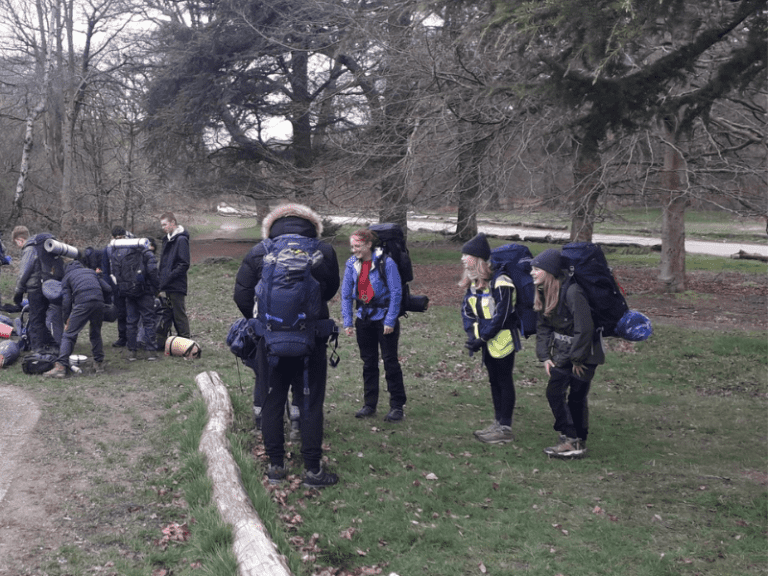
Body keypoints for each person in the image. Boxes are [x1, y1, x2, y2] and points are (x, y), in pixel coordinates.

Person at [233, 203, 340, 488]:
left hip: (269, 342)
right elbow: (329, 290)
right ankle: (314, 471)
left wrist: (264, 324)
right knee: (310, 403)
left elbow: (241, 294)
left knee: (271, 401)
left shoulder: (260, 251)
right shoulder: (323, 251)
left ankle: (276, 468)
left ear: (272, 225)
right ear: (312, 226)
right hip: (311, 339)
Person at [530, 248, 605, 459]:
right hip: (565, 354)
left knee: (576, 397)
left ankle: (574, 442)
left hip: (585, 355)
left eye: (536, 269)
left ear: (550, 271)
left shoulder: (573, 292)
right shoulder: (544, 291)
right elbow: (543, 326)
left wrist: (577, 359)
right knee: (554, 392)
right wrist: (545, 356)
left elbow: (585, 328)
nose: (532, 273)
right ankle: (569, 436)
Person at [341, 228, 406, 422]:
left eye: (358, 246)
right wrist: (348, 321)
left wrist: (390, 320)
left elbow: (396, 292)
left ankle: (397, 406)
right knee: (368, 363)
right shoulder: (352, 264)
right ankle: (370, 404)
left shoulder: (386, 262)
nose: (354, 250)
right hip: (364, 319)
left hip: (384, 318)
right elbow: (345, 295)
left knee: (390, 362)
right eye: (352, 246)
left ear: (369, 244)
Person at [459, 233, 518, 444]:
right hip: (485, 342)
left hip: (502, 341)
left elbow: (501, 316)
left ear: (477, 259)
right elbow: (467, 312)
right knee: (494, 381)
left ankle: (505, 427)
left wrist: (482, 339)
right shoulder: (473, 285)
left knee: (503, 380)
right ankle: (497, 422)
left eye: (466, 255)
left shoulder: (502, 282)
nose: (463, 259)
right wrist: (472, 337)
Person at [43, 260, 111, 378]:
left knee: (69, 335)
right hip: (99, 303)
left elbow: (67, 301)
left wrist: (66, 319)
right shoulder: (91, 272)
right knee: (95, 333)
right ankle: (98, 364)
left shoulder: (67, 277)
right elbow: (108, 288)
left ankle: (61, 367)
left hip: (83, 303)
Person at [11, 226, 61, 352]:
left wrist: (18, 291)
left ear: (19, 240)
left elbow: (24, 272)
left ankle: (37, 349)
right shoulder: (42, 246)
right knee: (45, 318)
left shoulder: (29, 248)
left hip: (35, 288)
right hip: (49, 286)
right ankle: (53, 345)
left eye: (16, 243)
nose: (17, 246)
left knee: (35, 319)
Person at [109, 238, 160, 361]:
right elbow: (153, 271)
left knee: (131, 322)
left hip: (128, 293)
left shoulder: (119, 254)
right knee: (148, 320)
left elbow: (115, 274)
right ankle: (150, 351)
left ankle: (132, 352)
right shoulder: (146, 253)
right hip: (145, 292)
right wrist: (157, 287)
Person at [156, 212, 191, 346]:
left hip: (176, 283)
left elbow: (184, 264)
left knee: (179, 315)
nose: (163, 227)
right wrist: (161, 280)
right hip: (166, 283)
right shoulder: (167, 239)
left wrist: (169, 277)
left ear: (173, 223)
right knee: (168, 312)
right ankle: (163, 342)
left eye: (165, 224)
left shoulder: (181, 240)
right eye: (162, 225)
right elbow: (164, 263)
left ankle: (186, 343)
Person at [102, 227, 132, 348]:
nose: (121, 240)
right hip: (116, 285)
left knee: (132, 311)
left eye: (123, 237)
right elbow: (105, 270)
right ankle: (122, 337)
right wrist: (108, 287)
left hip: (130, 284)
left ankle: (133, 337)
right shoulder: (107, 250)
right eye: (118, 238)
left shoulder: (131, 246)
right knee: (121, 312)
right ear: (113, 238)